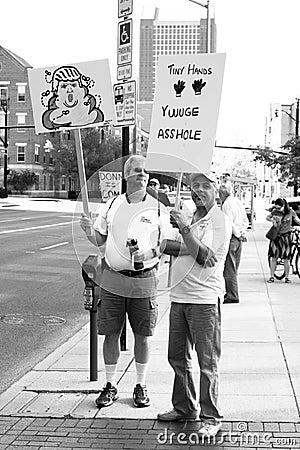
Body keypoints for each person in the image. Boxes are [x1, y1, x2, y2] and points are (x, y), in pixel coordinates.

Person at [80, 155, 168, 409]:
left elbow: (164, 244)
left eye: (145, 171)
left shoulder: (157, 208)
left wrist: (148, 254)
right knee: (110, 333)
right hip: (113, 280)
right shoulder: (111, 205)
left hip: (144, 280)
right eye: (137, 170)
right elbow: (100, 241)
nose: (142, 174)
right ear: (126, 175)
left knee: (143, 335)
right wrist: (89, 230)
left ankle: (141, 384)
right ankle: (111, 385)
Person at [157, 172, 232, 438]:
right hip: (179, 297)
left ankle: (211, 416)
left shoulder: (220, 220)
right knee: (177, 357)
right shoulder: (190, 216)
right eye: (194, 186)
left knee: (207, 362)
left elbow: (205, 257)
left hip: (204, 301)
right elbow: (177, 248)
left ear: (216, 190)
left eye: (204, 186)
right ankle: (185, 408)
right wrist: (168, 240)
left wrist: (185, 233)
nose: (198, 191)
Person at [218, 182, 249, 304]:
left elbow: (228, 223)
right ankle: (232, 293)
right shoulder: (237, 202)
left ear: (222, 193)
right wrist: (242, 233)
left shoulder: (226, 205)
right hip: (239, 238)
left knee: (229, 269)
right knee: (234, 268)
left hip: (232, 238)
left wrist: (237, 234)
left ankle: (232, 295)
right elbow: (245, 220)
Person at [266, 197, 300, 283]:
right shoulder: (274, 212)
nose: (277, 209)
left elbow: (298, 221)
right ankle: (272, 276)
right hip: (276, 237)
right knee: (274, 257)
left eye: (278, 208)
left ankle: (287, 277)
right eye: (276, 207)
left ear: (284, 206)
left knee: (286, 258)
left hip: (286, 237)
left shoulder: (291, 212)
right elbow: (268, 217)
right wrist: (272, 220)